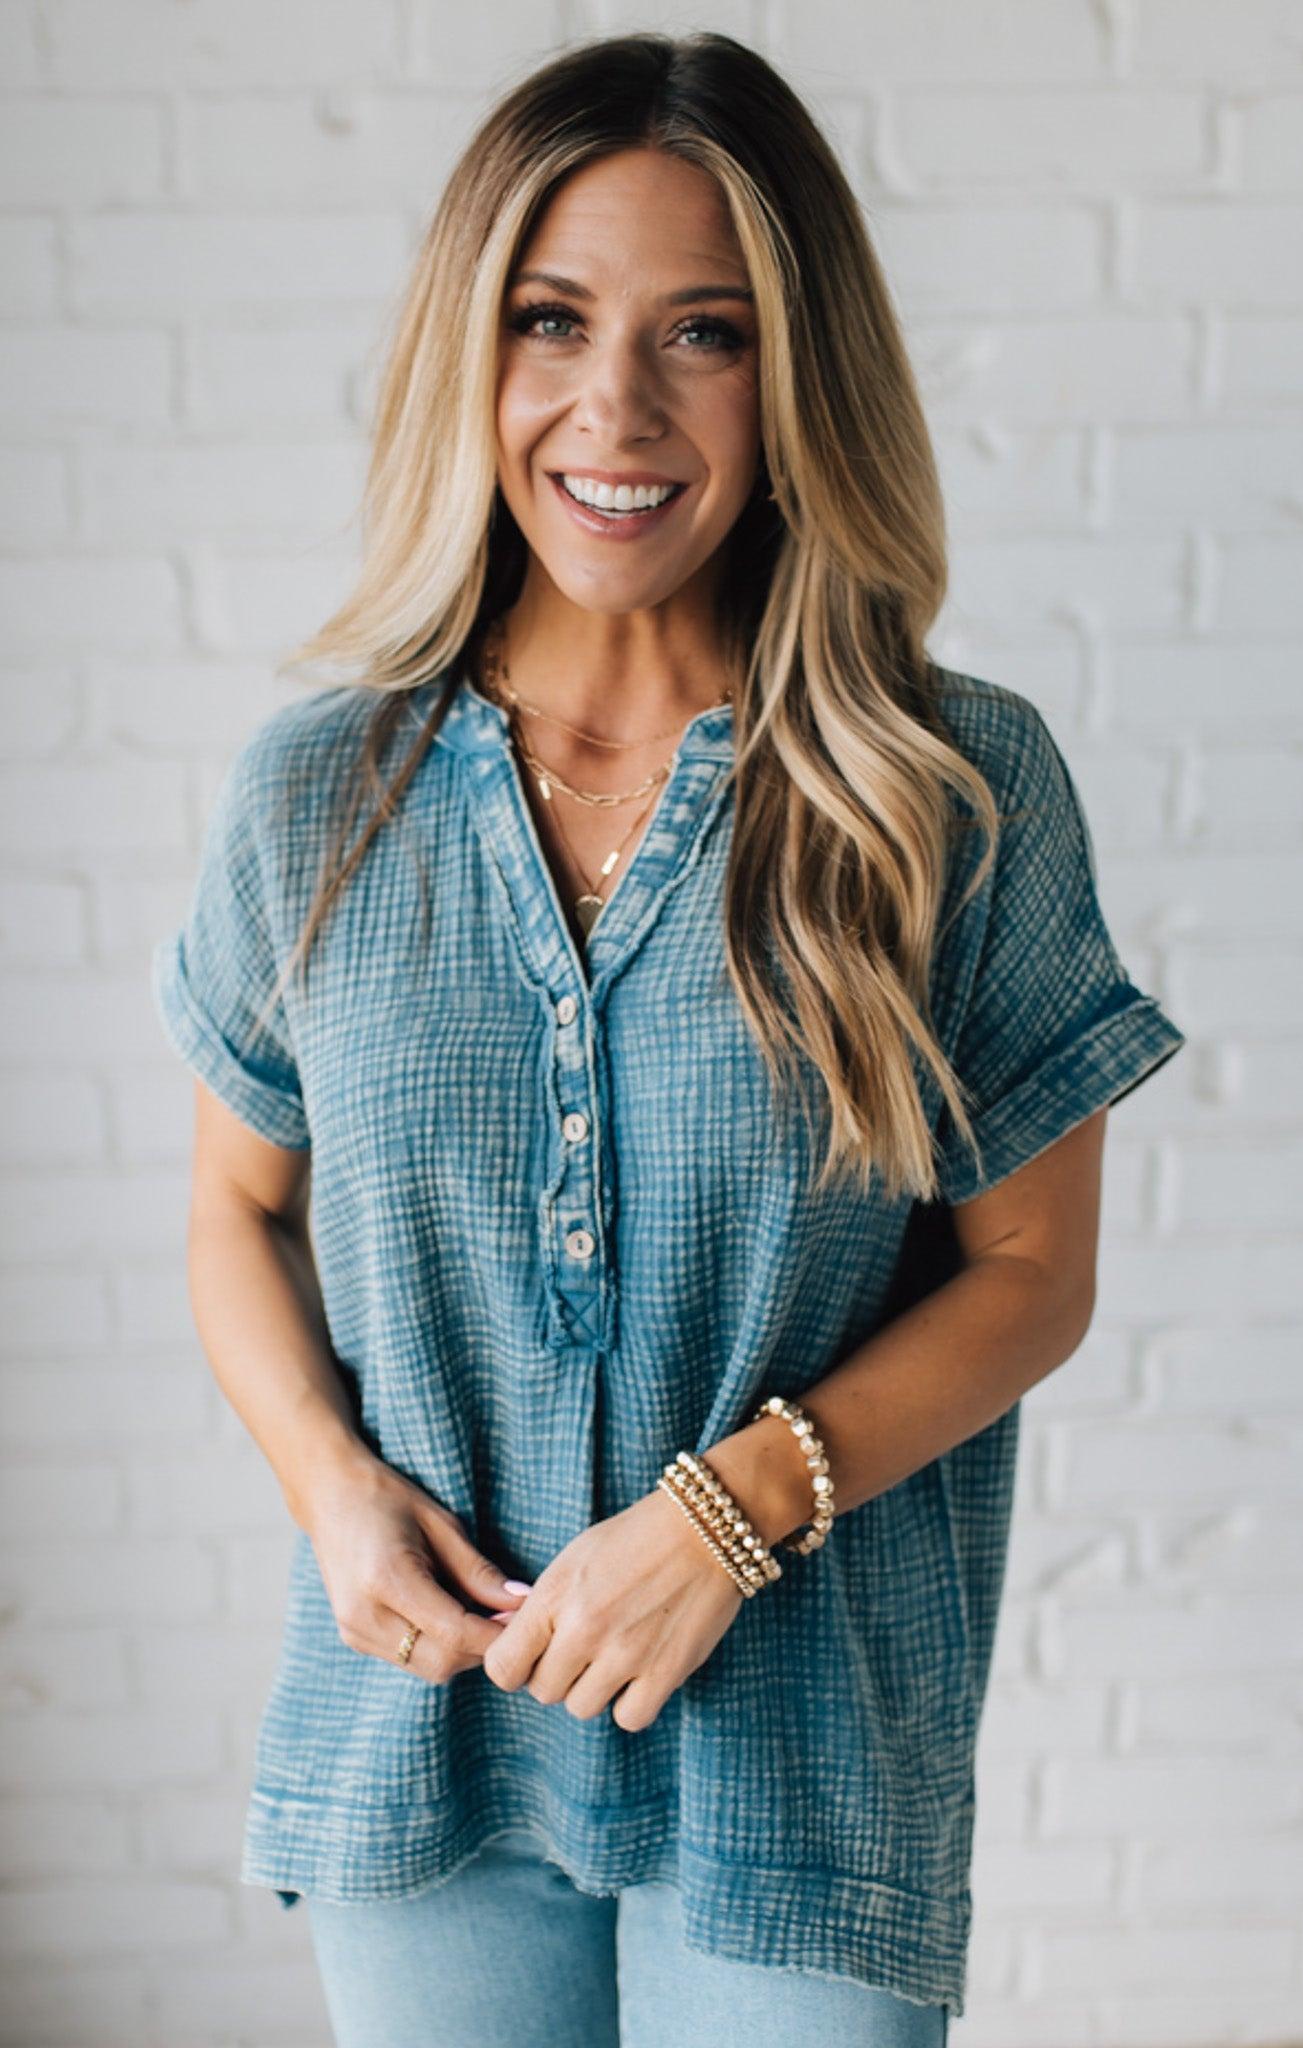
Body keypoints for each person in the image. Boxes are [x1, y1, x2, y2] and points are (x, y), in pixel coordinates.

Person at [150, 30, 1187, 2048]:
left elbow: (1030, 1272)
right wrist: (332, 1492)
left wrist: (734, 1508)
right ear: (476, 347)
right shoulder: (317, 794)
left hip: (799, 1766)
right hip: (421, 1745)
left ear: (794, 379)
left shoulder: (939, 789)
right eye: (552, 319)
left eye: (702, 333)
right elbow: (230, 1215)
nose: (611, 407)